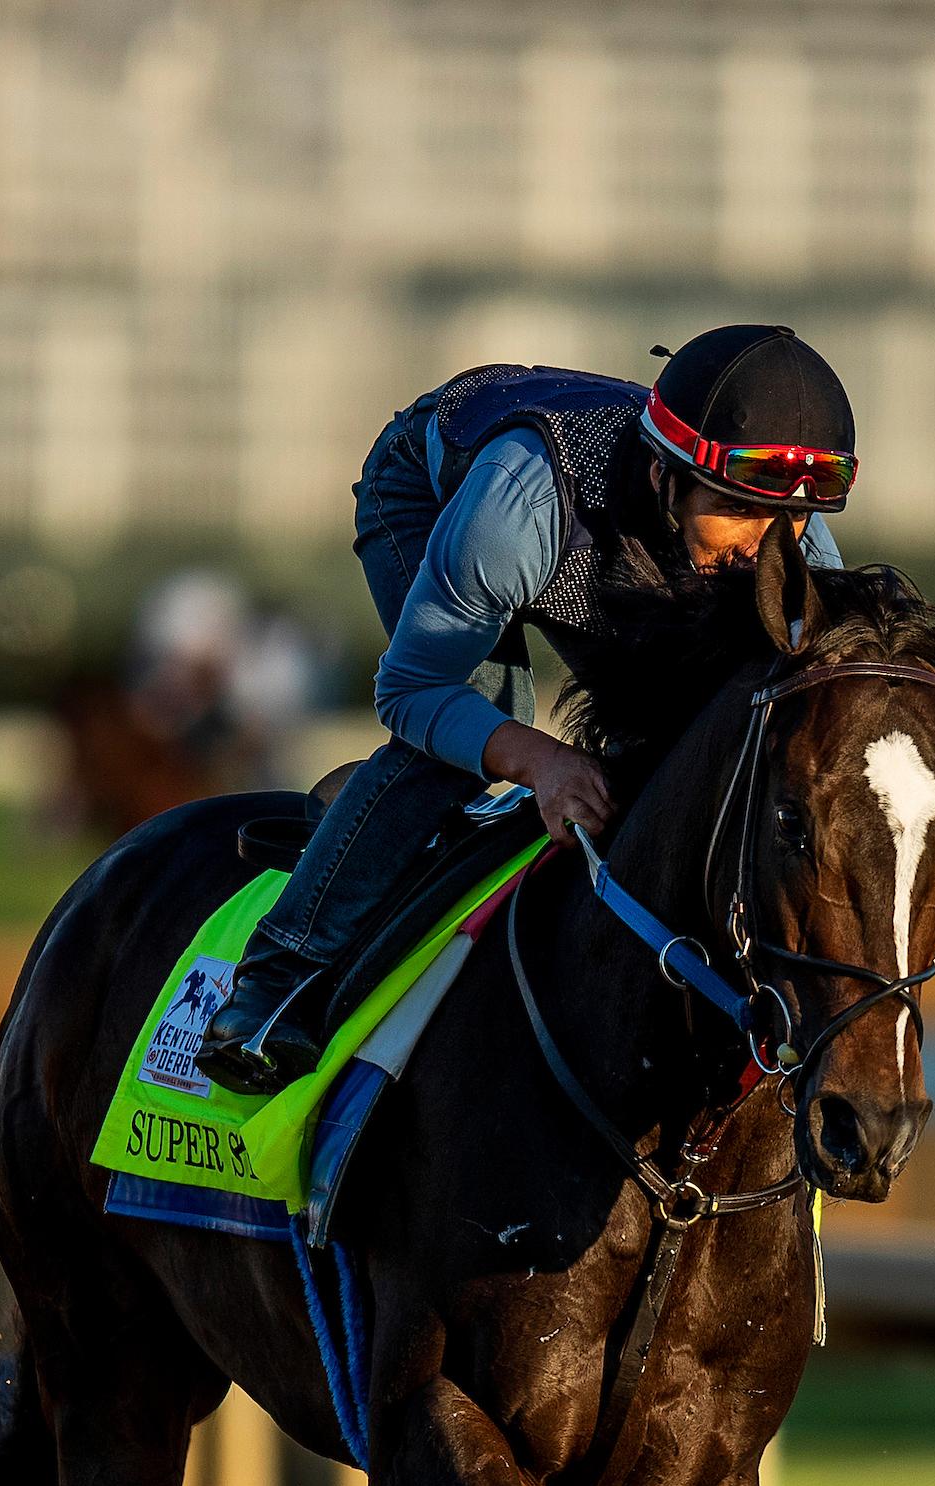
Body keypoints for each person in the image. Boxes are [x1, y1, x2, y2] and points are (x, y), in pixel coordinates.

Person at [196, 324, 859, 1097]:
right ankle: (278, 980)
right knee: (486, 706)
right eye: (735, 509)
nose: (761, 549)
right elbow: (411, 690)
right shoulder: (523, 500)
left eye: (790, 520)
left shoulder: (794, 554)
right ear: (664, 475)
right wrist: (542, 763)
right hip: (435, 490)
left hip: (602, 542)